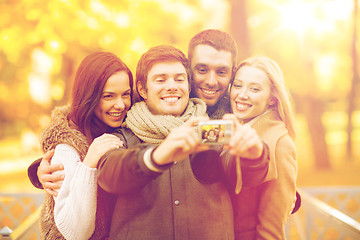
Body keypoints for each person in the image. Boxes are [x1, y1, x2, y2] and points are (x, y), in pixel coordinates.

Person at [96, 45, 270, 239]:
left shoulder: (210, 130)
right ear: (142, 90)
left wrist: (255, 155)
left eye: (179, 79)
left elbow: (239, 171)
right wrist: (156, 157)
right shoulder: (125, 136)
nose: (172, 86)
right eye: (160, 80)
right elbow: (109, 174)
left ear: (188, 86)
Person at [28, 52, 133, 240]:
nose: (120, 104)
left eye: (126, 94)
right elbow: (75, 233)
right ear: (89, 96)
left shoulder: (132, 123)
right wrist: (88, 163)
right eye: (108, 96)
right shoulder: (67, 147)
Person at [229, 56, 297, 239]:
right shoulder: (237, 128)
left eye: (254, 89)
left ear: (272, 99)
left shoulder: (280, 143)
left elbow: (271, 228)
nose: (242, 94)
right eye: (237, 85)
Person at [188, 29, 238, 119]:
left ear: (232, 74)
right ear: (188, 68)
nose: (211, 82)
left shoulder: (244, 116)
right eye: (202, 70)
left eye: (221, 72)